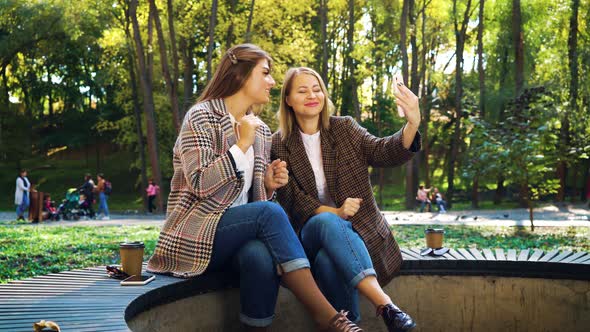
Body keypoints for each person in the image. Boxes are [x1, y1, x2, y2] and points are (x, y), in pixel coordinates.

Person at [147, 45, 361, 332]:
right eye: (265, 73)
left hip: (236, 236)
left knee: (259, 257)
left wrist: (267, 185)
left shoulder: (259, 129)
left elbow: (253, 202)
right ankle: (328, 315)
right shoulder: (200, 117)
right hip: (195, 232)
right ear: (241, 75)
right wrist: (240, 146)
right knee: (268, 213)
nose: (272, 81)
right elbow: (198, 184)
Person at [271, 67, 419, 332]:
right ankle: (386, 306)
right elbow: (293, 200)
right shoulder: (278, 143)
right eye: (302, 91)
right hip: (309, 237)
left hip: (357, 237)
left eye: (317, 89)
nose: (312, 95)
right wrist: (336, 212)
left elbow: (384, 152)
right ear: (288, 100)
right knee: (328, 222)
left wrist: (412, 123)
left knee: (330, 261)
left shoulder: (345, 128)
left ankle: (352, 328)